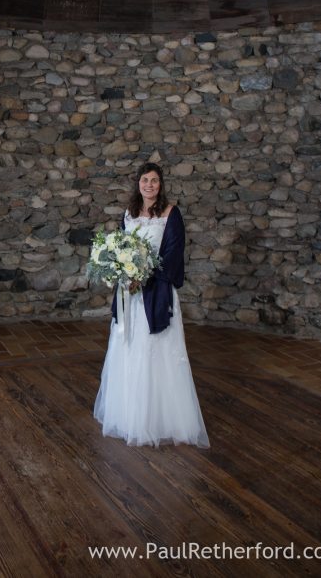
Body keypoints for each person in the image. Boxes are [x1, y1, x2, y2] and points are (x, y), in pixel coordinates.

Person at [93, 162, 209, 448]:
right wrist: (123, 273)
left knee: (155, 350)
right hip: (129, 296)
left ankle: (159, 419)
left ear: (161, 184)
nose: (149, 185)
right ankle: (129, 414)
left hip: (155, 291)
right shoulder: (129, 214)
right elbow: (121, 249)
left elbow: (172, 253)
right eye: (145, 180)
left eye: (154, 180)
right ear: (138, 183)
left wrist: (143, 276)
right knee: (129, 348)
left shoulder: (171, 213)